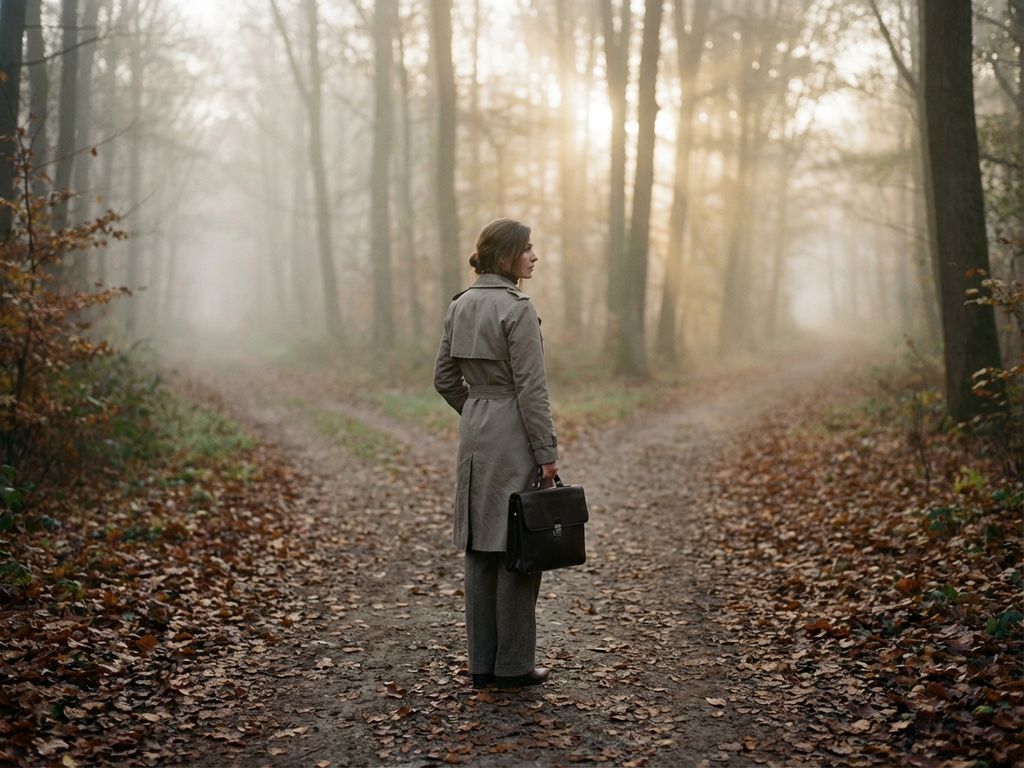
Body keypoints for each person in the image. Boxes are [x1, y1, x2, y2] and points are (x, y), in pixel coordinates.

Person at [433, 218, 559, 690]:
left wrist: (476, 410)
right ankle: (513, 666)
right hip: (513, 433)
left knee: (480, 547)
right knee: (517, 547)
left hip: (475, 432)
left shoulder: (460, 305)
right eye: (528, 248)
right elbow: (532, 388)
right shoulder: (518, 309)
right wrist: (546, 451)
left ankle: (481, 665)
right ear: (506, 257)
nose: (535, 255)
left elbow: (444, 378)